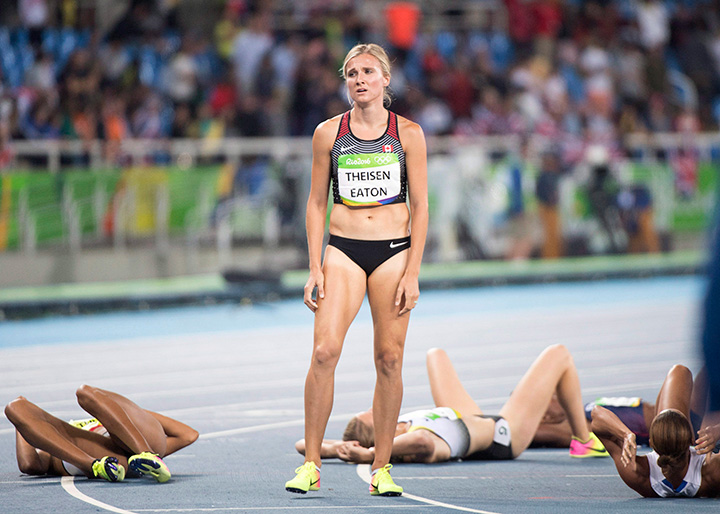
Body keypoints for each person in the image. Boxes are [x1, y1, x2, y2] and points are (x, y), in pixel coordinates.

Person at [285, 42, 428, 497]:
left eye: (368, 71)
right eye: (351, 73)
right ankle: (310, 464)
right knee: (324, 351)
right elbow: (315, 203)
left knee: (389, 359)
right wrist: (314, 265)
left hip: (394, 253)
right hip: (343, 251)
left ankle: (381, 468)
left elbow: (421, 207)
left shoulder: (409, 134)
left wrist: (412, 273)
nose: (359, 79)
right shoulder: (328, 133)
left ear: (386, 79)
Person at [294, 344, 608, 464]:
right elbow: (420, 442)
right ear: (381, 436)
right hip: (504, 434)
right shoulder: (424, 442)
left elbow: (302, 444)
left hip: (465, 417)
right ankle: (583, 440)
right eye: (376, 416)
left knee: (435, 354)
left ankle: (582, 439)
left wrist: (336, 449)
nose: (382, 410)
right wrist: (371, 455)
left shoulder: (401, 426)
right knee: (559, 354)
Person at [4, 385, 199, 483]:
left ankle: (147, 455)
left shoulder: (120, 421)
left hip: (135, 442)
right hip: (108, 459)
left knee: (85, 393)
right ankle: (98, 465)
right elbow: (29, 464)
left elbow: (189, 435)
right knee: (15, 407)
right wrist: (20, 423)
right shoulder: (52, 446)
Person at [591, 364, 720, 497]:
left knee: (681, 372)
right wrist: (717, 431)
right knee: (702, 369)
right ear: (691, 438)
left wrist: (626, 435)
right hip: (708, 443)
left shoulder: (639, 473)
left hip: (693, 445)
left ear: (652, 443)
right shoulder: (713, 471)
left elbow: (596, 414)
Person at [534, 366, 709, 448]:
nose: (555, 395)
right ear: (545, 417)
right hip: (679, 427)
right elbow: (529, 432)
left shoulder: (582, 409)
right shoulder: (575, 426)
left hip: (679, 412)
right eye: (547, 399)